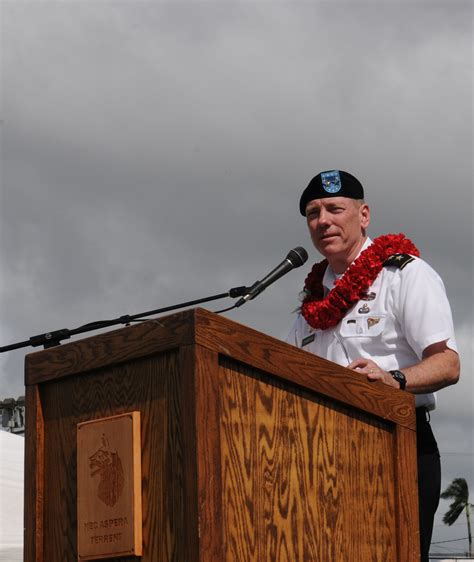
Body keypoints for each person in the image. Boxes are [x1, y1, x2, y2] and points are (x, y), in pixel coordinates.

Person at [287, 169, 460, 562]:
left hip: (397, 441)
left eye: (334, 208)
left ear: (363, 215)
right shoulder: (310, 305)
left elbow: (448, 364)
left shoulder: (404, 274)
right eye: (313, 213)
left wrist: (395, 379)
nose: (323, 220)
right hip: (323, 453)